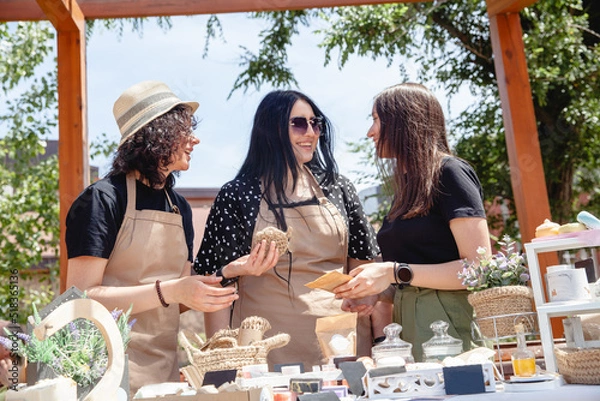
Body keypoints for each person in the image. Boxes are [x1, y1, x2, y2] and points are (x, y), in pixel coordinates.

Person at [65, 81, 238, 394]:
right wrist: (169, 290)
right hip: (105, 377)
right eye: (184, 130)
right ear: (156, 135)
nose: (194, 140)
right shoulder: (102, 201)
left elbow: (179, 301)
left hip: (165, 376)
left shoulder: (180, 208)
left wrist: (232, 272)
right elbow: (80, 299)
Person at [194, 90, 386, 370]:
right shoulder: (237, 194)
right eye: (298, 123)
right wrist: (222, 365)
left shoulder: (338, 188)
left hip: (341, 345)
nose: (310, 132)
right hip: (264, 352)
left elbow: (364, 269)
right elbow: (217, 286)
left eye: (315, 123)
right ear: (271, 130)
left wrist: (372, 312)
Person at [334, 83, 491, 362]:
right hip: (407, 328)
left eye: (376, 120)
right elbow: (410, 272)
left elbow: (478, 269)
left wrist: (393, 272)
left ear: (403, 122)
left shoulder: (450, 173)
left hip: (448, 329)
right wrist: (376, 293)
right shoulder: (407, 188)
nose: (370, 132)